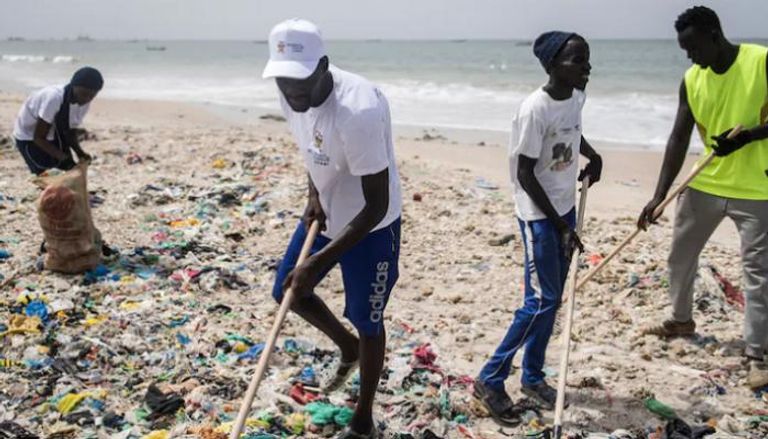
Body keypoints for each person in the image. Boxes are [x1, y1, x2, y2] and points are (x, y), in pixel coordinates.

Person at [263, 19, 402, 438]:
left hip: (372, 225)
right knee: (288, 290)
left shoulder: (357, 109)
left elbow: (375, 204)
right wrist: (312, 195)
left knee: (368, 318)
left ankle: (364, 418)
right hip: (327, 211)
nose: (292, 93)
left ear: (323, 65)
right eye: (284, 82)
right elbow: (313, 148)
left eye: (300, 82)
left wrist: (321, 259)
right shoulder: (293, 93)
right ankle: (347, 348)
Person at [474, 31, 602, 425]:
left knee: (553, 298)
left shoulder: (576, 97)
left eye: (587, 59)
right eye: (578, 60)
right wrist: (557, 226)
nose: (587, 67)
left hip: (564, 208)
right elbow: (525, 173)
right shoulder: (534, 109)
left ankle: (531, 376)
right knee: (539, 301)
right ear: (553, 66)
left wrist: (594, 156)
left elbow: (573, 134)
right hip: (537, 214)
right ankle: (490, 378)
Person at [637, 6, 768, 390]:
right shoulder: (692, 79)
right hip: (705, 182)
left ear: (714, 34)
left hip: (757, 188)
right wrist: (658, 196)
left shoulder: (761, 61)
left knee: (758, 274)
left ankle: (757, 353)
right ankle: (680, 320)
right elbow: (679, 137)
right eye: (683, 49)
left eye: (692, 46)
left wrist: (748, 137)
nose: (689, 56)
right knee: (680, 256)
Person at [13, 66, 103, 175]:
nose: (86, 99)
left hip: (55, 132)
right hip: (29, 135)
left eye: (91, 96)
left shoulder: (83, 103)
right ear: (74, 86)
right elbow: (39, 137)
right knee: (45, 173)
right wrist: (62, 157)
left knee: (69, 171)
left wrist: (80, 153)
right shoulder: (53, 98)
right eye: (84, 94)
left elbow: (70, 132)